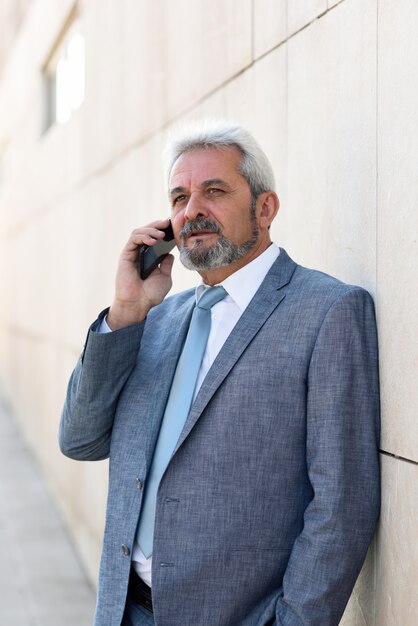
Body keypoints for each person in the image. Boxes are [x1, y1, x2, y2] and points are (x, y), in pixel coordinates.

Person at [59, 120, 380, 626]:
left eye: (214, 191)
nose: (192, 212)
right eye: (179, 198)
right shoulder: (154, 319)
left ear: (265, 207)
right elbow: (79, 439)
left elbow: (343, 504)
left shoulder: (327, 312)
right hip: (125, 610)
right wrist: (123, 312)